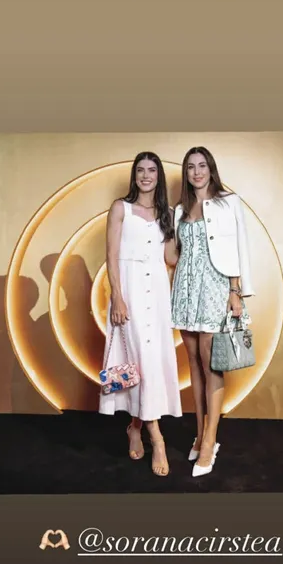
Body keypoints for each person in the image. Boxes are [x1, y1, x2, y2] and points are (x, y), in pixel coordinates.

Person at [171, 146, 255, 477]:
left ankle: (209, 441)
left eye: (202, 165)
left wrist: (236, 291)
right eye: (191, 167)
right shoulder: (180, 209)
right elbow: (174, 254)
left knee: (211, 364)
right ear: (186, 172)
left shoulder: (229, 201)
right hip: (185, 289)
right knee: (193, 363)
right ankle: (199, 434)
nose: (196, 172)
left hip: (216, 287)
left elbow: (239, 247)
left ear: (211, 169)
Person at [99, 151, 182, 476]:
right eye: (140, 170)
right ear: (134, 176)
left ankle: (134, 426)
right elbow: (111, 255)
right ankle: (157, 439)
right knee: (136, 360)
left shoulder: (167, 213)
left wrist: (181, 226)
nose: (146, 175)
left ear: (158, 176)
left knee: (149, 363)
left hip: (157, 294)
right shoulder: (121, 208)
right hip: (129, 292)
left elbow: (170, 258)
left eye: (151, 170)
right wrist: (117, 297)